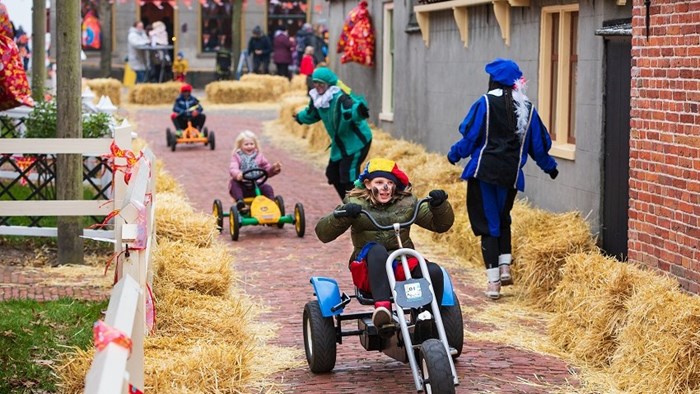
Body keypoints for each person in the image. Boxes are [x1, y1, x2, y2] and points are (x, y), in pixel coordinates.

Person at [447, 58, 559, 300]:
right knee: (501, 217)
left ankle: (493, 282)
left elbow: (471, 137)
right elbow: (539, 146)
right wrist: (550, 167)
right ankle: (505, 266)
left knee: (487, 224)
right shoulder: (527, 108)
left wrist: (454, 154)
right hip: (510, 176)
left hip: (484, 173)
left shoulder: (485, 103)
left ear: (493, 80)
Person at [315, 158, 453, 330]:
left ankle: (426, 320)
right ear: (367, 184)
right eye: (379, 182)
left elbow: (440, 225)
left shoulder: (407, 203)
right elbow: (323, 234)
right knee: (377, 250)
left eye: (390, 183)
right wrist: (342, 215)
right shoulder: (355, 204)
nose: (385, 187)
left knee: (434, 272)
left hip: (400, 267)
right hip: (368, 271)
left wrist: (439, 206)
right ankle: (383, 310)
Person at [293, 67, 372, 200]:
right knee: (332, 174)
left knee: (348, 175)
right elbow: (311, 114)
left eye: (321, 83)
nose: (317, 86)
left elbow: (351, 109)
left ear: (328, 84)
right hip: (340, 143)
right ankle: (349, 203)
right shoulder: (318, 99)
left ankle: (359, 206)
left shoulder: (340, 97)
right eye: (315, 83)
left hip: (357, 142)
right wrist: (299, 117)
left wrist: (359, 111)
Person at [228, 130, 282, 211]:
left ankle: (271, 205)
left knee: (267, 188)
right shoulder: (237, 156)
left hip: (257, 185)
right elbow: (233, 168)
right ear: (240, 146)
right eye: (246, 144)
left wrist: (273, 169)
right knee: (234, 184)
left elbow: (266, 169)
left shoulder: (259, 156)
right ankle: (240, 203)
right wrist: (238, 174)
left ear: (255, 145)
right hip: (243, 185)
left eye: (251, 144)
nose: (249, 146)